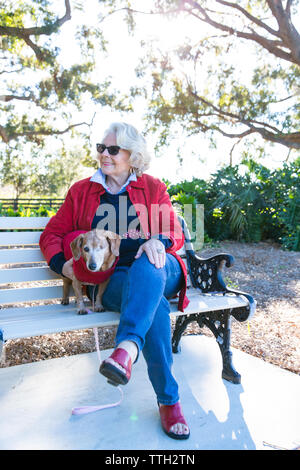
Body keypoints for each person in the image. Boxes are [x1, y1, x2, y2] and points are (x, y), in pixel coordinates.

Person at [39, 122, 190, 440]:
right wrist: (60, 264)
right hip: (114, 280)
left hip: (160, 268)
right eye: (100, 148)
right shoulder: (82, 191)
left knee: (148, 263)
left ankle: (126, 349)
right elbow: (53, 233)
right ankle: (168, 400)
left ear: (133, 156)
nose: (103, 154)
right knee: (154, 306)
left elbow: (172, 229)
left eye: (112, 149)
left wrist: (157, 241)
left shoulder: (151, 187)